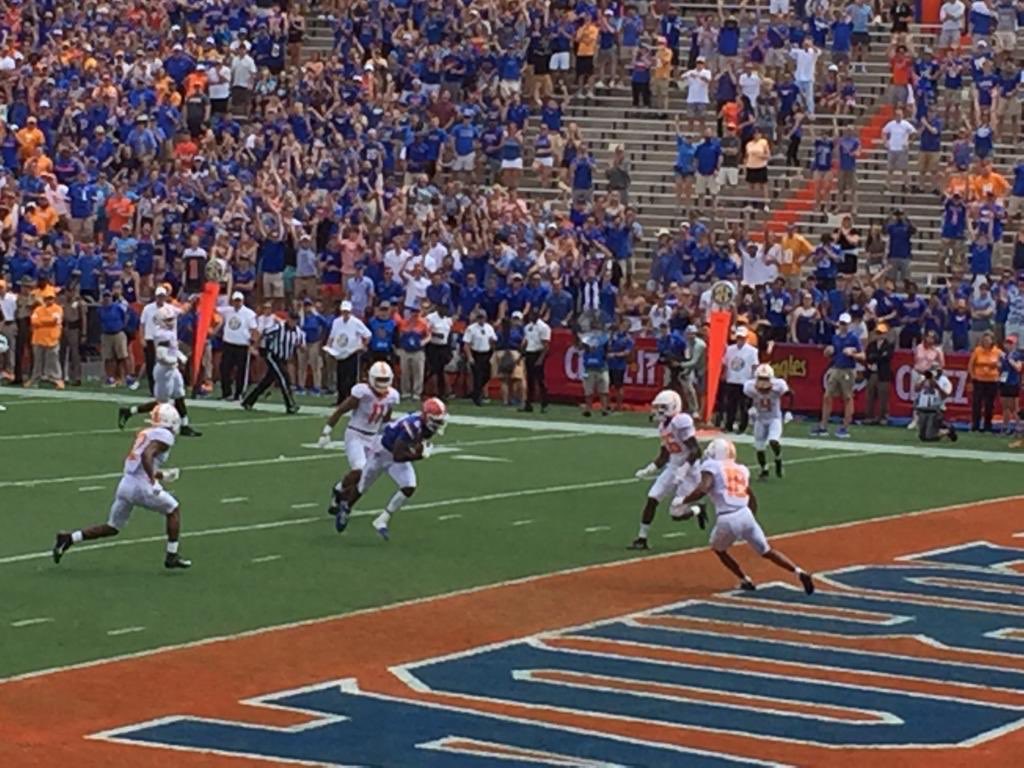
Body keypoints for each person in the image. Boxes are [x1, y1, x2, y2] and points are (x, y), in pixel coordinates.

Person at [52, 403, 191, 570]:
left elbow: (142, 461)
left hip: (126, 483)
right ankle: (172, 555)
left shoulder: (147, 432)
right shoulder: (165, 435)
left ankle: (69, 538)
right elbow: (147, 455)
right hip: (141, 486)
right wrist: (153, 481)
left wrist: (162, 475)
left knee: (112, 527)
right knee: (173, 509)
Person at [674, 438, 815, 594]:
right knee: (767, 551)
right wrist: (751, 516)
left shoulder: (711, 466)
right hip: (745, 513)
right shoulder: (740, 469)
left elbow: (703, 489)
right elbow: (750, 495)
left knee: (718, 549)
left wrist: (683, 500)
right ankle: (799, 571)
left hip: (727, 517)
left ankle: (744, 579)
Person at [332, 398, 448, 540]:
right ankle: (346, 507)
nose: (438, 424)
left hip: (395, 453)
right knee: (362, 487)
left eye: (440, 421)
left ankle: (382, 519)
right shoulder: (412, 426)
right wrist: (419, 455)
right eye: (435, 421)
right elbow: (398, 455)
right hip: (381, 453)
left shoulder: (422, 425)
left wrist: (416, 449)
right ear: (426, 416)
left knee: (409, 486)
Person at [321, 362, 401, 531]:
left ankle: (341, 494)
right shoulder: (361, 392)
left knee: (366, 476)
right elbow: (341, 410)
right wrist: (327, 431)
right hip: (355, 434)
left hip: (373, 438)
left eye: (385, 379)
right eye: (379, 379)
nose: (382, 383)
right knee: (359, 468)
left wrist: (389, 434)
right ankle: (340, 492)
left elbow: (386, 418)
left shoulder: (392, 395)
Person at [629, 390, 701, 551]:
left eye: (662, 407)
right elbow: (664, 456)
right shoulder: (663, 427)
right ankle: (642, 538)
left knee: (676, 514)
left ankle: (697, 509)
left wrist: (684, 469)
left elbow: (696, 451)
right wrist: (649, 469)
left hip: (690, 471)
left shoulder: (681, 422)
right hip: (673, 466)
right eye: (658, 407)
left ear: (673, 406)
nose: (658, 411)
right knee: (652, 497)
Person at [117, 306, 202, 437]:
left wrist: (180, 356)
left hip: (172, 369)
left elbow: (173, 348)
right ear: (161, 321)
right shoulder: (161, 334)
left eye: (172, 319)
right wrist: (176, 359)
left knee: (179, 395)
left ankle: (184, 425)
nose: (171, 322)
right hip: (164, 370)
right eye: (168, 320)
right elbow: (162, 355)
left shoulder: (169, 331)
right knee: (162, 403)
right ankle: (131, 412)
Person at [241, 312, 304, 414]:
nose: (293, 322)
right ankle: (290, 405)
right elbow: (264, 333)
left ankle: (248, 401)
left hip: (284, 359)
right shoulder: (278, 327)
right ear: (288, 319)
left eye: (295, 320)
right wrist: (255, 347)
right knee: (284, 378)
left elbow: (301, 346)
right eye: (292, 320)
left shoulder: (298, 332)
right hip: (272, 355)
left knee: (267, 382)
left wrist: (300, 348)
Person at [812, 312, 862, 438]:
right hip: (836, 368)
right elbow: (829, 353)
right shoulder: (835, 337)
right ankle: (823, 426)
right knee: (827, 396)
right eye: (841, 323)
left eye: (845, 324)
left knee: (847, 398)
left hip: (848, 370)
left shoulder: (853, 338)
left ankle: (845, 427)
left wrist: (853, 354)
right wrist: (828, 352)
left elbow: (862, 355)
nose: (843, 326)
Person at [743, 364, 789, 480]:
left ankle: (778, 458)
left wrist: (788, 411)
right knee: (759, 447)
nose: (763, 382)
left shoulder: (778, 386)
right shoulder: (750, 386)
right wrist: (749, 408)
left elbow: (790, 395)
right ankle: (764, 469)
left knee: (773, 441)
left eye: (765, 379)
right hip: (760, 418)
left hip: (774, 418)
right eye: (761, 379)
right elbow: (745, 399)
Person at [326, 300, 371, 404]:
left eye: (347, 312)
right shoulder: (336, 322)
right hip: (339, 353)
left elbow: (368, 334)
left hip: (352, 352)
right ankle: (341, 399)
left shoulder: (356, 322)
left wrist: (362, 346)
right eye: (344, 312)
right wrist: (329, 347)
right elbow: (332, 336)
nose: (345, 314)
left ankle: (350, 400)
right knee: (340, 376)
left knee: (351, 378)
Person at [218, 292, 258, 401]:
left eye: (239, 301)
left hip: (242, 345)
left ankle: (239, 394)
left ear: (242, 301)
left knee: (241, 371)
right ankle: (226, 393)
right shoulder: (227, 311)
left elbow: (254, 329)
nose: (237, 303)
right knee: (224, 369)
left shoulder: (249, 314)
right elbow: (214, 309)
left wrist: (253, 344)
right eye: (235, 301)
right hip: (228, 344)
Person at [721, 326, 758, 432]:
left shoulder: (752, 351)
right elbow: (726, 363)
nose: (740, 340)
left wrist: (753, 379)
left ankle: (743, 426)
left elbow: (754, 366)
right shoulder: (730, 349)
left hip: (745, 381)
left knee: (743, 406)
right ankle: (729, 424)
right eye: (738, 337)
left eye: (742, 338)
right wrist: (724, 374)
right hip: (732, 380)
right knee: (730, 405)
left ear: (745, 338)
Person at [27, 287, 63, 390]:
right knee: (37, 361)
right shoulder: (38, 309)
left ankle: (57, 379)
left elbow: (54, 320)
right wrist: (46, 321)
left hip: (52, 339)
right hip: (38, 338)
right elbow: (33, 321)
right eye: (47, 298)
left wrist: (41, 321)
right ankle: (34, 379)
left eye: (51, 298)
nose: (49, 300)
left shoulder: (58, 308)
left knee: (53, 361)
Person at [914, 365, 958, 442]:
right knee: (922, 437)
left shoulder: (945, 381)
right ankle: (943, 425)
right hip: (923, 408)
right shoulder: (923, 378)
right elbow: (916, 389)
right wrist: (924, 380)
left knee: (930, 437)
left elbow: (945, 395)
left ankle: (948, 431)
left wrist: (936, 386)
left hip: (936, 409)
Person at [968, 330, 1001, 431]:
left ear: (992, 340)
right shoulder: (977, 350)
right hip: (979, 381)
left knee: (989, 404)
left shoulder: (998, 352)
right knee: (977, 403)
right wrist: (973, 376)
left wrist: (998, 370)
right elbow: (970, 365)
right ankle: (975, 425)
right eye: (984, 340)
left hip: (992, 381)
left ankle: (988, 425)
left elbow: (1003, 365)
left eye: (988, 340)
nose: (986, 342)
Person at [863, 322, 895, 424]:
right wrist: (877, 357)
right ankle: (869, 416)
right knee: (870, 395)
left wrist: (876, 357)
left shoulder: (888, 345)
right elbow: (868, 357)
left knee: (883, 396)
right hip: (872, 372)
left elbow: (886, 357)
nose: (879, 335)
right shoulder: (871, 345)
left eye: (881, 333)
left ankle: (883, 417)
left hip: (883, 374)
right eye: (878, 333)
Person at [463, 311, 497, 406]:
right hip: (476, 353)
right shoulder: (471, 328)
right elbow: (466, 344)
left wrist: (493, 352)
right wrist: (470, 357)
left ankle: (475, 391)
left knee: (487, 375)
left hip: (486, 353)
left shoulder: (489, 328)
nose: (481, 320)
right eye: (479, 318)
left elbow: (493, 340)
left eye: (483, 318)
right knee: (477, 376)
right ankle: (477, 398)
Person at [522, 309, 552, 413]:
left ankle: (545, 403)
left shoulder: (543, 327)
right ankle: (529, 403)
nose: (531, 316)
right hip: (529, 353)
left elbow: (546, 345)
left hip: (538, 353)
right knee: (529, 379)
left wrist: (540, 359)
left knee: (540, 380)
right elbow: (526, 340)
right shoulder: (528, 327)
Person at [998, 335, 1023, 434]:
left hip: (1013, 383)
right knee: (1005, 407)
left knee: (1014, 407)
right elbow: (1000, 368)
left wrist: (1010, 360)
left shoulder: (1017, 355)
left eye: (1010, 343)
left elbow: (1018, 368)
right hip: (1004, 382)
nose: (1008, 345)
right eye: (1007, 343)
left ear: (1014, 345)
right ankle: (1005, 426)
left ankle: (1018, 426)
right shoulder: (1002, 355)